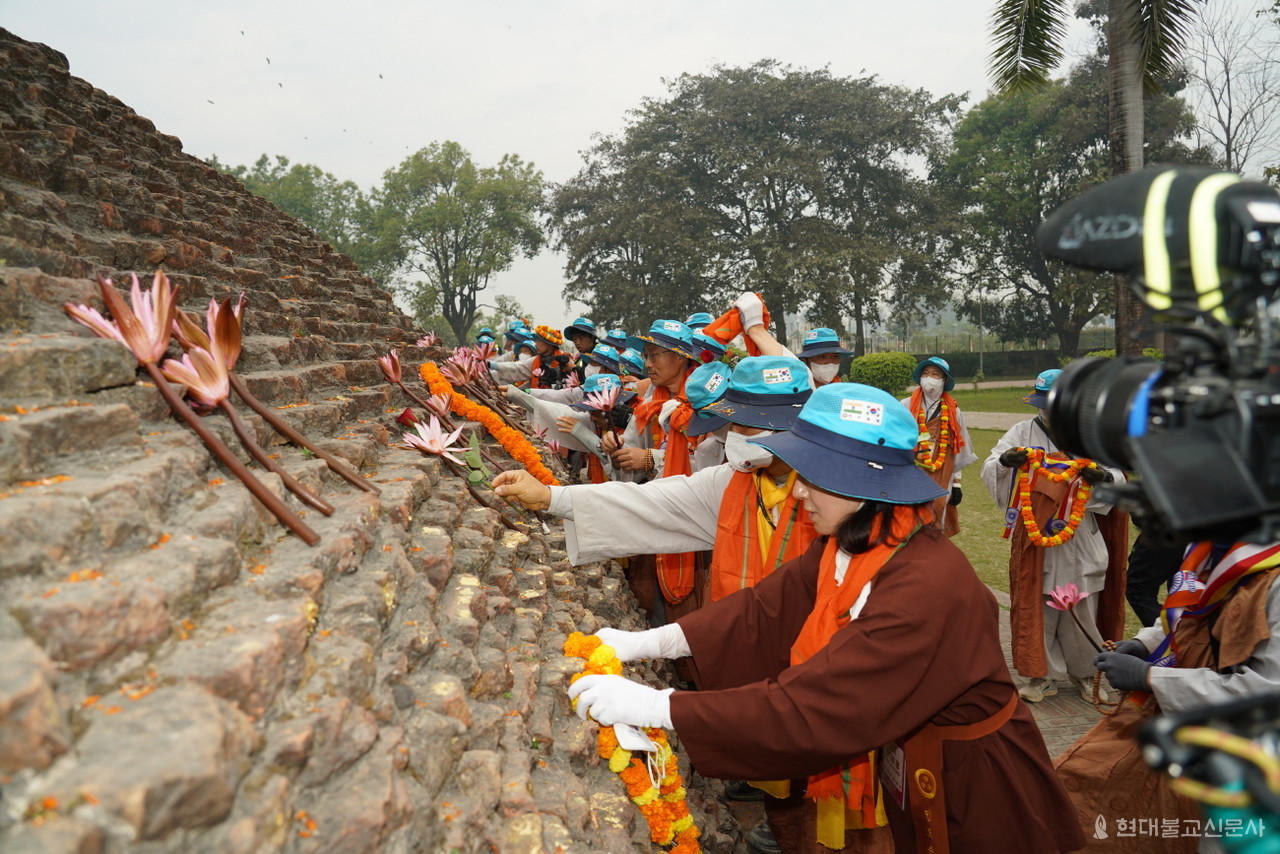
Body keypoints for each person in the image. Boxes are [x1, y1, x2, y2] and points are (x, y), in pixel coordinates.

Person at [566, 383, 1085, 854]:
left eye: (812, 479)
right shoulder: (858, 541)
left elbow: (816, 705)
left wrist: (661, 707)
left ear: (860, 483)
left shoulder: (924, 588)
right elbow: (764, 609)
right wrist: (651, 642)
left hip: (977, 779)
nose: (796, 492)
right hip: (916, 758)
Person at [1055, 538, 1280, 854]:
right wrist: (1145, 643)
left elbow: (1267, 692)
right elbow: (1186, 614)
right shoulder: (1208, 550)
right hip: (1186, 733)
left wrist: (1150, 677)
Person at [980, 369, 1129, 704]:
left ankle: (1087, 674)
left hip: (1081, 533)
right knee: (1040, 606)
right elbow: (991, 466)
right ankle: (1041, 676)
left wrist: (1104, 477)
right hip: (1038, 535)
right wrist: (1005, 461)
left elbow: (1120, 475)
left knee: (1082, 607)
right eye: (1044, 404)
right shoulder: (1022, 431)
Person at [900, 357, 977, 537]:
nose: (929, 378)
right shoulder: (905, 405)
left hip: (941, 472)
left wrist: (956, 483)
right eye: (925, 373)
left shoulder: (953, 411)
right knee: (907, 519)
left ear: (944, 380)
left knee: (937, 512)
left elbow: (957, 449)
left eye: (935, 374)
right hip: (910, 472)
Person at [563, 316, 599, 383]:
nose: (577, 343)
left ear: (592, 337)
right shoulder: (579, 358)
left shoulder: (601, 355)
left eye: (581, 337)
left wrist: (574, 368)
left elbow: (596, 379)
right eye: (574, 338)